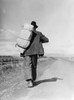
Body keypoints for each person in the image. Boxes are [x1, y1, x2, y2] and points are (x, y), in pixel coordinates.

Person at [21, 21, 49, 87]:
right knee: (34, 66)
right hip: (35, 52)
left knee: (27, 66)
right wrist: (40, 40)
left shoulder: (26, 33)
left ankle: (29, 81)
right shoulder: (39, 34)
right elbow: (46, 40)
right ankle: (32, 80)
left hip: (26, 52)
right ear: (35, 27)